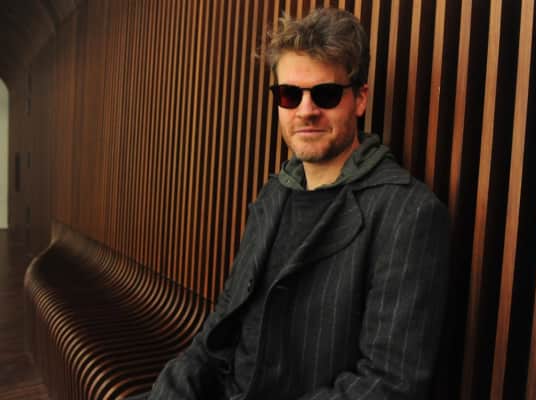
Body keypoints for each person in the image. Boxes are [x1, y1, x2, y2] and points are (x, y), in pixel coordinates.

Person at [131, 7, 449, 400]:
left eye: (326, 94)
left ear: (360, 99)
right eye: (289, 95)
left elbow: (388, 383)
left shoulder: (408, 214)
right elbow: (222, 324)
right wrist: (172, 389)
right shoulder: (275, 194)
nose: (306, 110)